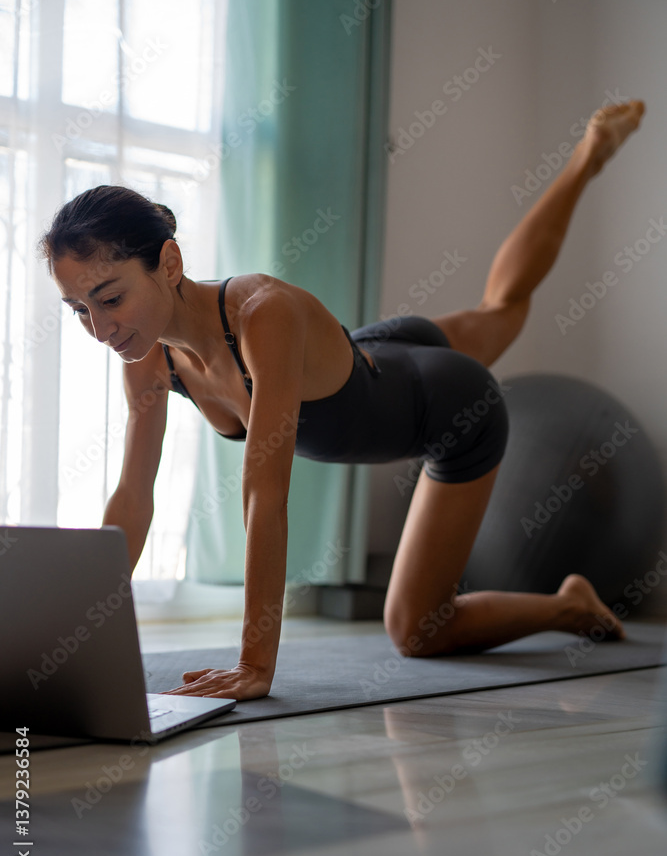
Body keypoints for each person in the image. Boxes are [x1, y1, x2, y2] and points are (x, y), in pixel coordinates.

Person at [39, 100, 645, 702]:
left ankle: (564, 608)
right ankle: (589, 154)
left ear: (168, 263)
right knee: (499, 308)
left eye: (110, 298)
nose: (98, 327)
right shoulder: (147, 357)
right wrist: (76, 641)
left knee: (416, 630)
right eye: (78, 310)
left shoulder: (260, 315)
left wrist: (254, 664)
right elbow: (133, 497)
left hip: (448, 405)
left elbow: (265, 493)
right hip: (375, 355)